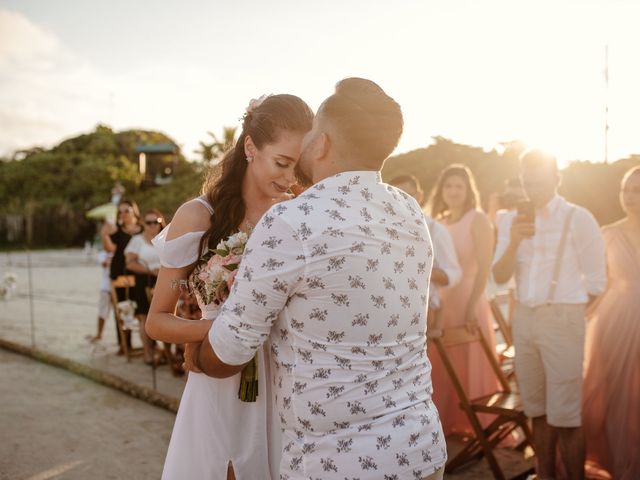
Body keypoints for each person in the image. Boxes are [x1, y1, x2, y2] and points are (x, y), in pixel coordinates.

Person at [190, 78, 447, 480]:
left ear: (322, 144)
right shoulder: (409, 211)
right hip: (420, 449)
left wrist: (198, 355)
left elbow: (230, 351)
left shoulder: (291, 221)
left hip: (335, 464)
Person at [146, 94, 313, 480]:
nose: (290, 180)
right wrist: (218, 329)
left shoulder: (295, 215)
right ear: (251, 147)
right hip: (220, 380)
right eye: (282, 163)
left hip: (286, 383)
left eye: (297, 168)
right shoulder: (196, 217)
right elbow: (156, 321)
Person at [493, 149, 606, 480]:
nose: (533, 190)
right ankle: (545, 475)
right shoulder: (508, 220)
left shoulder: (578, 218)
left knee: (566, 416)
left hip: (563, 319)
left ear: (557, 179)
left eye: (540, 182)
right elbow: (499, 277)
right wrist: (513, 241)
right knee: (537, 411)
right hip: (524, 321)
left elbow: (597, 281)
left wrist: (568, 318)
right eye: (528, 182)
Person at [427, 164, 498, 436]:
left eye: (459, 186)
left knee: (469, 360)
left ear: (469, 190)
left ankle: (477, 425)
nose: (454, 191)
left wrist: (471, 307)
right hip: (442, 302)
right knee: (443, 361)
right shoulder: (439, 221)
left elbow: (484, 266)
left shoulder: (478, 219)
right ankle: (446, 422)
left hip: (470, 297)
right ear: (441, 191)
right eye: (448, 186)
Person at [582, 166, 640, 479]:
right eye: (626, 190)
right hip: (615, 319)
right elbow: (599, 283)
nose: (630, 197)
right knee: (616, 394)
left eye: (638, 190)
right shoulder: (608, 232)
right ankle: (620, 464)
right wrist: (585, 314)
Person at [389, 174, 461, 335]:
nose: (401, 202)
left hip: (426, 314)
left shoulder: (436, 231)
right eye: (395, 197)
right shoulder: (384, 231)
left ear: (419, 196)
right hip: (392, 315)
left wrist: (424, 271)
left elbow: (454, 273)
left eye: (407, 196)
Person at [101, 199, 143, 353]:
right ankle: (125, 345)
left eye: (127, 210)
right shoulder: (117, 230)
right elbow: (110, 248)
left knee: (142, 309)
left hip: (141, 274)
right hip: (120, 274)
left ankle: (148, 345)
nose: (123, 214)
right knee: (123, 309)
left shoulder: (144, 229)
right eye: (121, 211)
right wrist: (104, 234)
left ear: (134, 212)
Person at [124, 209, 165, 364]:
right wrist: (150, 271)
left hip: (165, 280)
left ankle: (171, 352)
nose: (153, 225)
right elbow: (130, 263)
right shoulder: (137, 240)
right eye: (149, 222)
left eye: (156, 222)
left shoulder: (166, 238)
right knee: (144, 317)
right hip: (144, 279)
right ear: (143, 224)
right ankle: (148, 354)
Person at [87, 249, 112, 344]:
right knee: (102, 312)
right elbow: (104, 264)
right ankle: (99, 334)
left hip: (119, 285)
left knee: (121, 314)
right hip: (106, 287)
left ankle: (123, 341)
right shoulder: (103, 253)